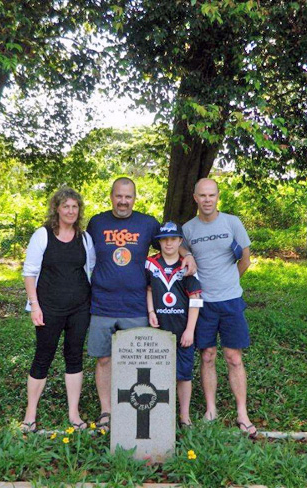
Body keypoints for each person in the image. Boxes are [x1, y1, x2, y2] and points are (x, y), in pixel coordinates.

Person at [86, 176, 196, 431]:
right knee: (103, 359)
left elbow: (170, 242)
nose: (123, 201)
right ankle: (107, 410)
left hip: (136, 304)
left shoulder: (147, 223)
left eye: (128, 196)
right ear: (111, 196)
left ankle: (135, 406)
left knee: (136, 358)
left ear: (134, 198)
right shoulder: (96, 222)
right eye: (119, 196)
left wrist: (188, 255)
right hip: (102, 303)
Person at [182, 178, 257, 437]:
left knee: (234, 358)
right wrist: (187, 254)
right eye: (202, 195)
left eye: (211, 195)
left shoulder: (232, 223)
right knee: (207, 356)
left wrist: (229, 283)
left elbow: (245, 260)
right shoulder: (189, 228)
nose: (207, 200)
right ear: (195, 198)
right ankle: (210, 409)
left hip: (230, 301)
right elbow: (181, 247)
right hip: (202, 303)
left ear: (218, 196)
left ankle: (242, 412)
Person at [21, 187, 95, 433]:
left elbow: (90, 269)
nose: (71, 211)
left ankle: (74, 414)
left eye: (75, 207)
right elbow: (29, 273)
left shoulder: (84, 238)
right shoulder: (42, 235)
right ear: (57, 209)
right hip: (49, 308)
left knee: (74, 357)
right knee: (43, 356)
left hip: (79, 308)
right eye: (66, 206)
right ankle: (30, 414)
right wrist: (35, 306)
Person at [145, 222, 202, 427]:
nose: (169, 243)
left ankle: (184, 416)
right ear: (159, 241)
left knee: (184, 375)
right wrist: (151, 312)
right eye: (165, 239)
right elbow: (149, 289)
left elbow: (195, 300)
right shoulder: (150, 264)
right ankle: (161, 413)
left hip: (182, 330)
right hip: (159, 329)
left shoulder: (187, 267)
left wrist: (190, 330)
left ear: (180, 241)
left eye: (173, 239)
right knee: (157, 372)